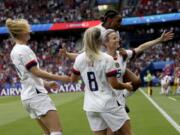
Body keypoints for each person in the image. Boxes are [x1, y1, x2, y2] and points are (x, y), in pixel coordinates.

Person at [62, 27, 134, 135]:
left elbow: (73, 79)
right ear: (100, 41)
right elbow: (114, 84)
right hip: (108, 104)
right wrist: (126, 86)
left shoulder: (79, 58)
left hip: (91, 106)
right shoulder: (107, 59)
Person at [7, 18, 69, 135]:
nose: (29, 32)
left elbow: (28, 74)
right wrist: (61, 78)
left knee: (47, 132)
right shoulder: (24, 49)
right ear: (21, 32)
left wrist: (46, 83)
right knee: (56, 131)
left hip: (27, 96)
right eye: (27, 30)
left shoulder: (14, 51)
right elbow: (36, 71)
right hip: (36, 95)